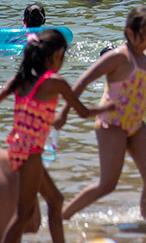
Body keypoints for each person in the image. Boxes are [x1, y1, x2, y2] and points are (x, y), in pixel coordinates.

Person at [60, 7, 146, 221]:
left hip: (136, 124)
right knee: (107, 184)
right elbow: (83, 81)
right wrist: (64, 112)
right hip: (112, 125)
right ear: (129, 32)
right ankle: (63, 216)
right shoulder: (118, 57)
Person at [2, 29, 112, 243]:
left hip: (17, 150)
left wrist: (54, 120)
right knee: (24, 214)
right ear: (54, 56)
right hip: (31, 154)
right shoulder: (55, 81)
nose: (62, 62)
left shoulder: (21, 79)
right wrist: (108, 107)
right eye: (62, 56)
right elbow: (82, 112)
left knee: (56, 201)